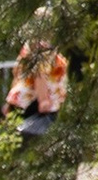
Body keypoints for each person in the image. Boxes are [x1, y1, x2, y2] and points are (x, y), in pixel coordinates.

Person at [4, 25, 68, 154]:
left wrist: (9, 102)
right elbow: (39, 73)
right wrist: (43, 100)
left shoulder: (29, 47)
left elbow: (17, 75)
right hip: (35, 102)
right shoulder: (42, 48)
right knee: (32, 147)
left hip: (22, 102)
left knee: (18, 143)